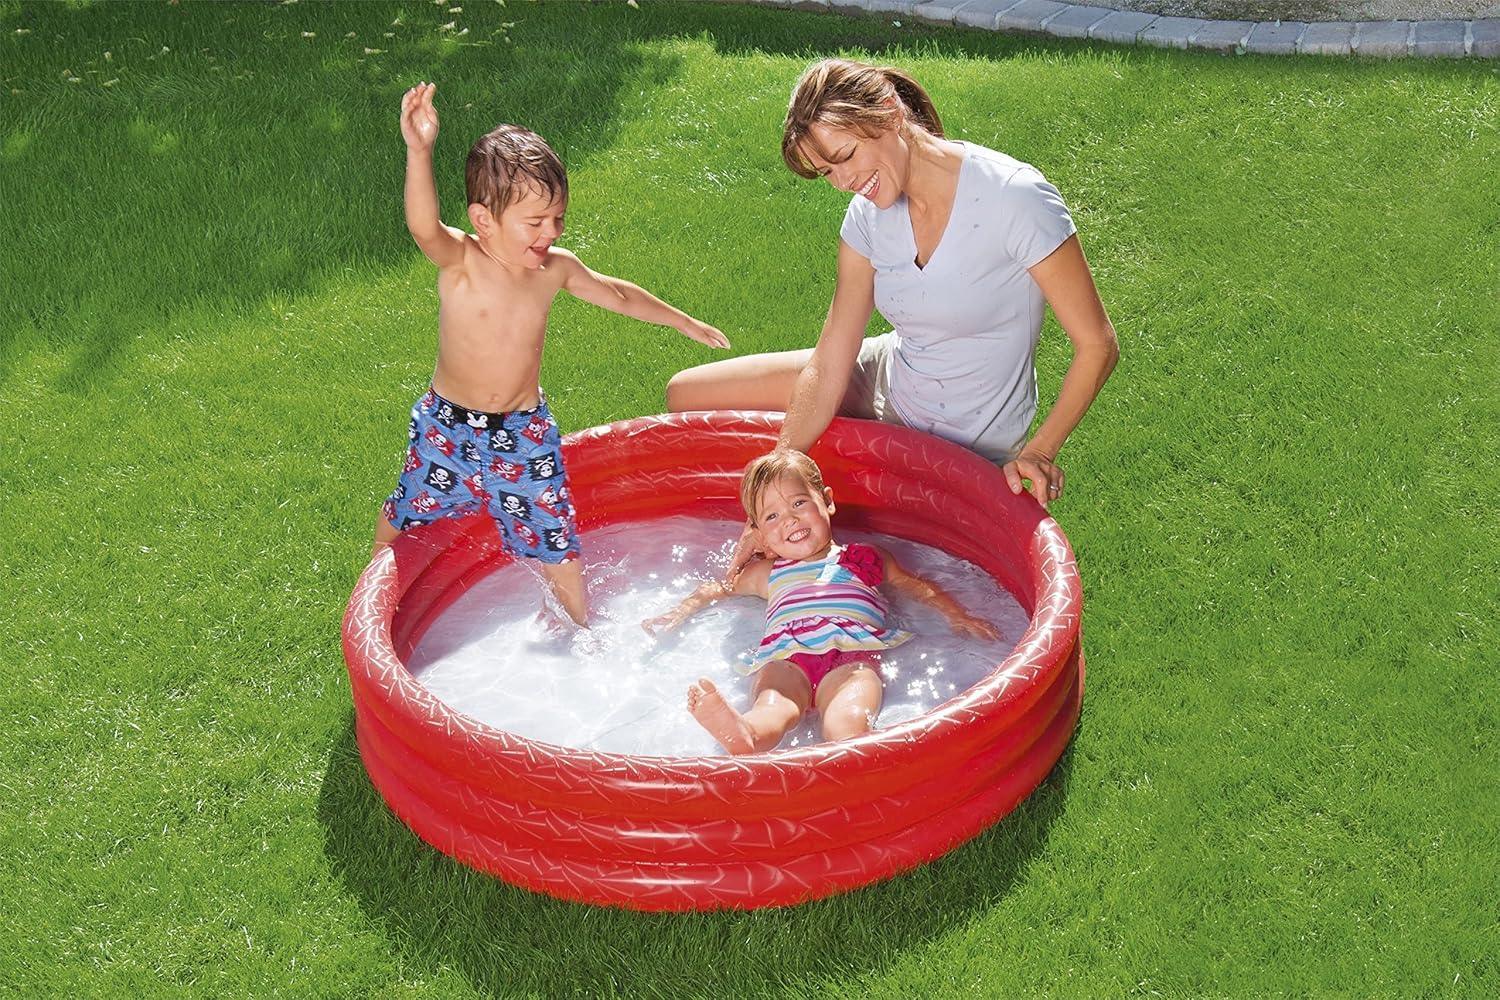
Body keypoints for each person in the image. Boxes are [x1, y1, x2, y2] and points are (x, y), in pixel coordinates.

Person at [666, 58, 1118, 553]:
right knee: (687, 395)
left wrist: (1041, 450)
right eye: (825, 172)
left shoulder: (1014, 199)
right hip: (891, 374)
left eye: (844, 156)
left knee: (902, 577)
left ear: (889, 113)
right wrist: (776, 484)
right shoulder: (868, 217)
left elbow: (1097, 344)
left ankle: (847, 466)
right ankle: (836, 465)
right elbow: (833, 356)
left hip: (968, 437)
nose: (841, 182)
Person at [375, 82, 730, 626]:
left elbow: (616, 294)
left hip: (522, 430)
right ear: (483, 219)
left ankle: (579, 633)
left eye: (557, 219)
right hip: (448, 428)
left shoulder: (554, 269)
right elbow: (422, 226)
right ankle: (373, 614)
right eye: (535, 222)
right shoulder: (463, 260)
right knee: (406, 514)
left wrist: (682, 321)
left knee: (554, 537)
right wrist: (419, 150)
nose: (551, 233)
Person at [643, 450, 1000, 755]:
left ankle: (851, 750)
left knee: (848, 717)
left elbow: (916, 587)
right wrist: (680, 611)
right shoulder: (769, 572)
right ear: (759, 534)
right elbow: (719, 588)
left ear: (826, 501)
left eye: (799, 503)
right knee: (774, 704)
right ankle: (746, 732)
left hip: (852, 658)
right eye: (772, 516)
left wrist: (958, 615)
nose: (791, 520)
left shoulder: (864, 558)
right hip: (787, 657)